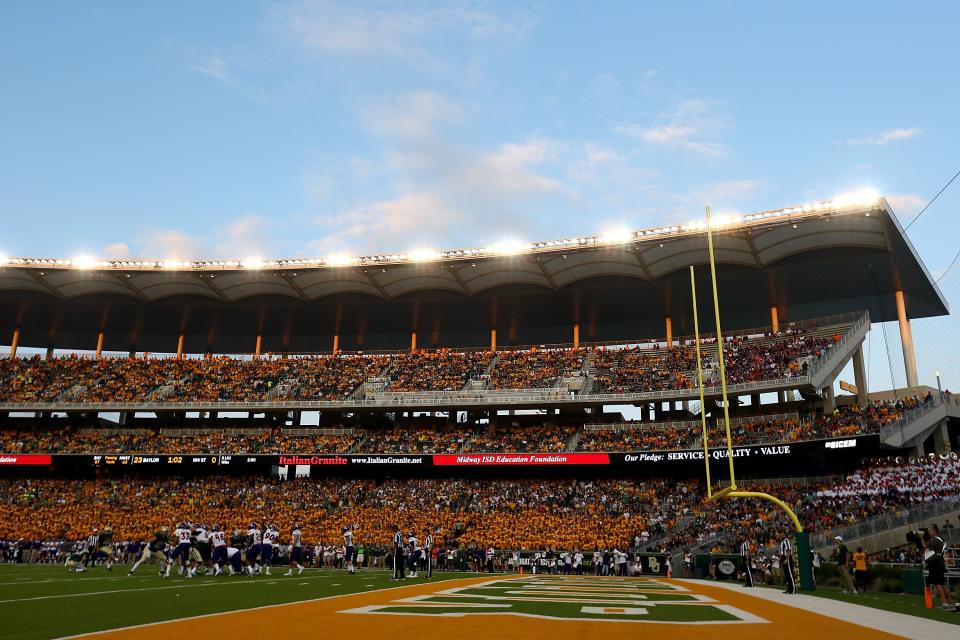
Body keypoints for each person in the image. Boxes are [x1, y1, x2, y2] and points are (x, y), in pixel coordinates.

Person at [925, 524, 958, 611]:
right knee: (942, 583)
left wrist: (921, 538)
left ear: (934, 531)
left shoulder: (936, 540)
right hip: (939, 563)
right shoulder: (939, 539)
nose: (928, 533)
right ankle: (949, 601)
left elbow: (926, 547)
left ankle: (945, 602)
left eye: (930, 531)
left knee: (938, 583)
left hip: (936, 564)